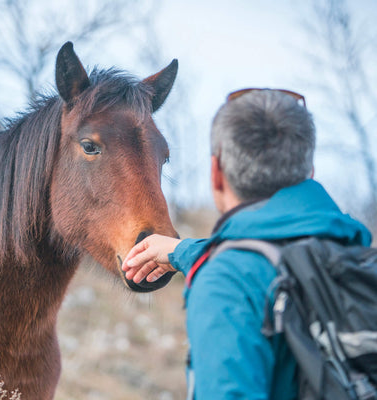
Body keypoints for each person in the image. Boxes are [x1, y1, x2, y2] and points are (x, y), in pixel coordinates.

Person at [122, 88, 372, 400]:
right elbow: (281, 253)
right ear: (309, 171)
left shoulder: (227, 283)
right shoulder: (359, 259)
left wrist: (217, 268)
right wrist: (181, 251)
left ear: (216, 173)